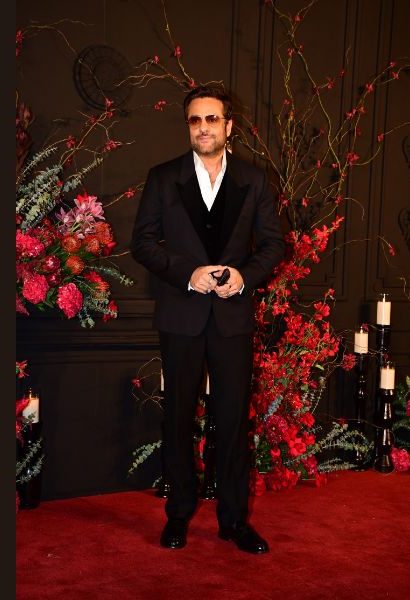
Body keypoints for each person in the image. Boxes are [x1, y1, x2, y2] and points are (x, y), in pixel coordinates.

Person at [130, 84, 285, 554]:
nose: (203, 128)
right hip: (181, 316)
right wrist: (188, 275)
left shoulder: (253, 180)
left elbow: (273, 245)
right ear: (188, 126)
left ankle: (234, 521)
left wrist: (243, 277)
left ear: (228, 126)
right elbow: (142, 243)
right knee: (178, 418)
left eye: (212, 119)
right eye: (195, 120)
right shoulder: (163, 178)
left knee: (234, 421)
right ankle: (178, 515)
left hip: (233, 318)